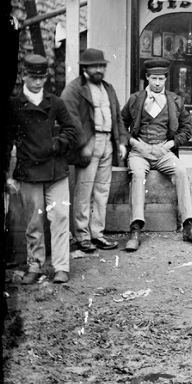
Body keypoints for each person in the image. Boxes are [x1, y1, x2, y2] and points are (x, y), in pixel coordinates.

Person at [6, 54, 81, 284]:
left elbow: (72, 130)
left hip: (55, 170)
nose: (38, 82)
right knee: (34, 222)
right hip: (29, 171)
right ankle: (35, 265)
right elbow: (7, 140)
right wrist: (7, 174)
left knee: (59, 217)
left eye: (42, 78)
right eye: (33, 78)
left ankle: (61, 266)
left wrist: (55, 144)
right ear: (23, 76)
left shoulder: (55, 102)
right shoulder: (14, 106)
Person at [120, 58, 192, 251]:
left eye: (161, 79)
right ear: (147, 78)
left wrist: (168, 145)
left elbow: (186, 128)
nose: (157, 83)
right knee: (136, 175)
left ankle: (189, 227)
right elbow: (120, 124)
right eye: (154, 79)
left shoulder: (175, 101)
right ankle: (135, 230)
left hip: (163, 152)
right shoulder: (135, 99)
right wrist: (135, 143)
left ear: (166, 79)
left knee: (181, 172)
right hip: (139, 152)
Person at [61, 47, 127, 253]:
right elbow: (69, 119)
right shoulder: (74, 89)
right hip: (88, 144)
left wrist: (122, 142)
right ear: (84, 68)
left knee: (102, 190)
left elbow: (117, 117)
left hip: (108, 141)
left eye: (101, 66)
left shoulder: (108, 88)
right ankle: (82, 235)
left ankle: (97, 233)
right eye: (94, 66)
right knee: (84, 190)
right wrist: (84, 143)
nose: (99, 69)